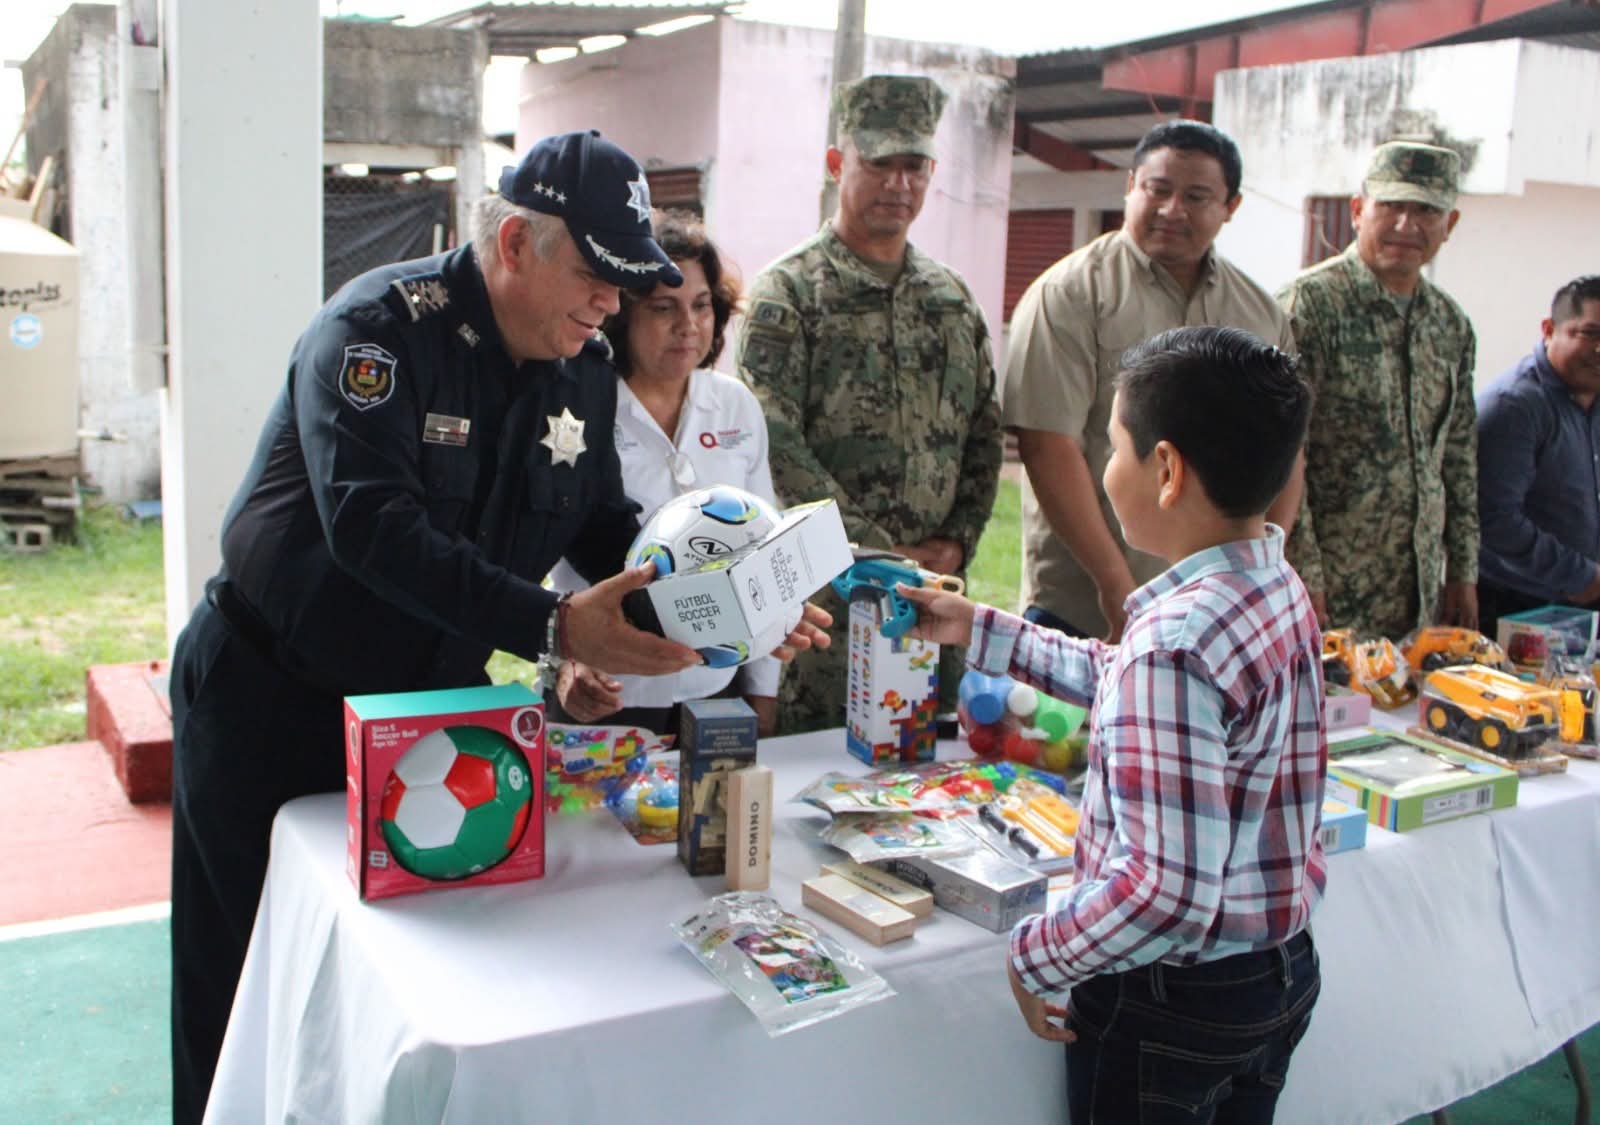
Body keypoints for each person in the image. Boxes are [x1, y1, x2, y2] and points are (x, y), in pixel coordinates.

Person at [166, 131, 826, 1124]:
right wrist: (559, 627)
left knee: (413, 976)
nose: (613, 303)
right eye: (597, 275)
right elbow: (371, 528)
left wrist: (733, 607)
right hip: (274, 700)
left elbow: (604, 526)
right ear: (515, 244)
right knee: (244, 973)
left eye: (625, 280)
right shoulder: (378, 333)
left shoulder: (582, 368)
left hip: (433, 712)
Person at [901, 326, 1325, 1124]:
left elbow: (1165, 894)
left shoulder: (1174, 645)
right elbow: (1124, 676)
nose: (1106, 467)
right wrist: (982, 627)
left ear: (1165, 470)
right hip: (1275, 973)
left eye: (1116, 444)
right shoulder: (1272, 587)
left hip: (1167, 1001)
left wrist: (1037, 953)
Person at [736, 73, 1003, 735]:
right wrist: (882, 552)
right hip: (830, 602)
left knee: (924, 778)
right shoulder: (789, 293)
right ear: (837, 165)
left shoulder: (951, 297)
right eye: (878, 164)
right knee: (816, 776)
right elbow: (772, 439)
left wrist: (956, 541)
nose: (898, 184)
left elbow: (985, 428)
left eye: (914, 166)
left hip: (931, 600)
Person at [1004, 120, 1299, 643]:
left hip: (1218, 611)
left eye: (1196, 196)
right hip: (1087, 605)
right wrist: (1116, 586)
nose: (1171, 210)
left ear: (1230, 206)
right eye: (1157, 190)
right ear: (1131, 187)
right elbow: (1048, 446)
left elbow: (1285, 452)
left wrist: (1260, 575)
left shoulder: (1258, 312)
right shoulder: (1070, 294)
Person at [550, 209, 783, 735]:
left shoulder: (735, 405)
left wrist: (762, 694)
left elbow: (766, 551)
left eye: (702, 306)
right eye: (664, 308)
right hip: (604, 697)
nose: (689, 326)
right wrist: (566, 662)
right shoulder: (576, 408)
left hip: (715, 692)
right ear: (621, 315)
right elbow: (541, 559)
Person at [1280, 139, 1479, 639]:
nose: (1406, 226)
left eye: (1426, 211)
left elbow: (1457, 453)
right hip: (1328, 590)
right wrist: (1305, 572)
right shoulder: (1310, 306)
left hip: (1416, 592)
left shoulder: (1449, 324)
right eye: (1391, 206)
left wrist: (1462, 571)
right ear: (1357, 210)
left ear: (1449, 226)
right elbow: (1280, 451)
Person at [1476, 275, 1600, 635]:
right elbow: (1493, 520)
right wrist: (1580, 575)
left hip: (1582, 607)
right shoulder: (1514, 406)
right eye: (1590, 334)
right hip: (1518, 608)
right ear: (1549, 329)